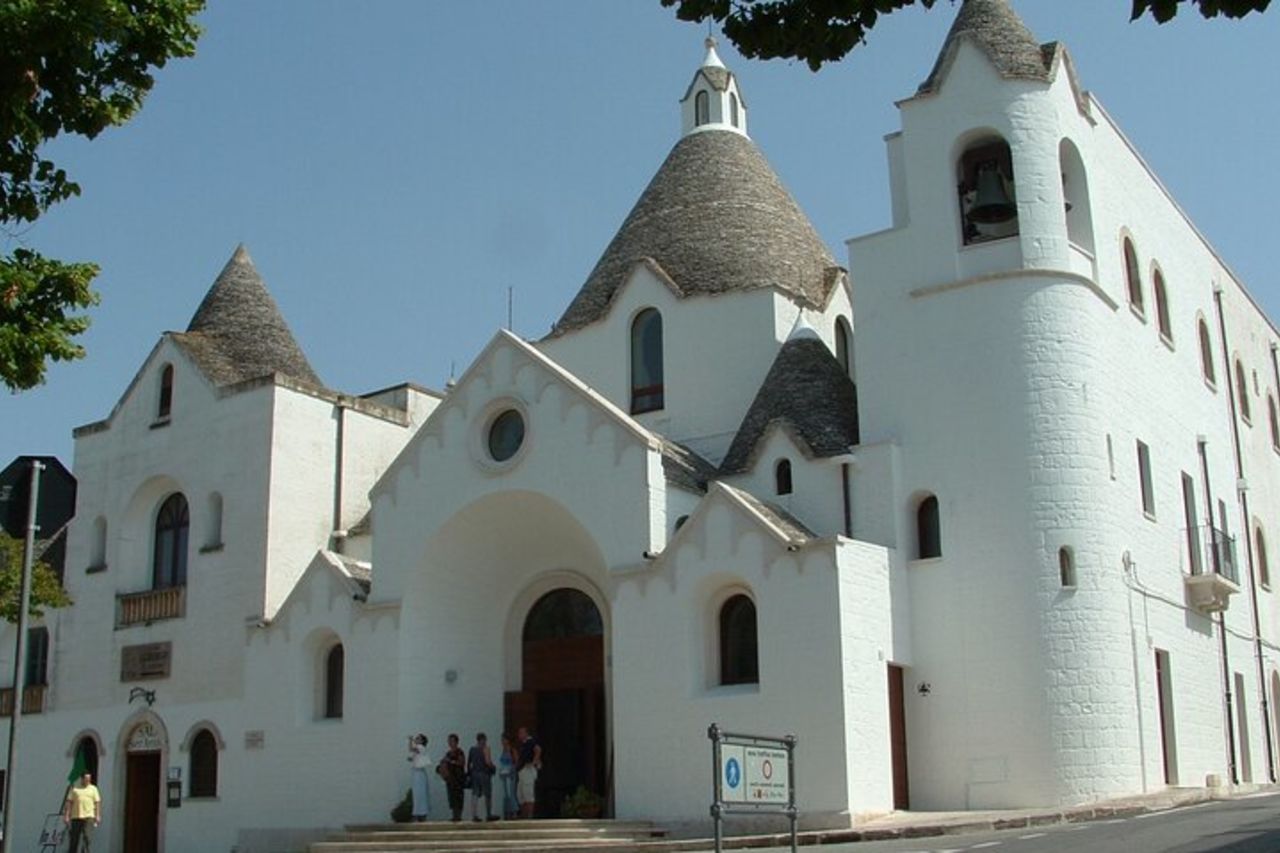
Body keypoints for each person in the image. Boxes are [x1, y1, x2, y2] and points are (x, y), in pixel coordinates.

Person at [63, 772, 101, 852]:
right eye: (86, 779)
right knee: (74, 838)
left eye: (89, 779)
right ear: (82, 779)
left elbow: (97, 802)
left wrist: (97, 815)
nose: (88, 781)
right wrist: (66, 815)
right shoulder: (75, 789)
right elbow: (69, 802)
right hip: (76, 817)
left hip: (89, 817)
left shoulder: (93, 789)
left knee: (87, 838)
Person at [467, 732, 498, 821]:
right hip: (484, 773)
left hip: (475, 773)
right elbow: (488, 761)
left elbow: (469, 763)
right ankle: (488, 814)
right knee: (487, 794)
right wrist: (493, 767)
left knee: (475, 794)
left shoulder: (472, 749)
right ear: (483, 740)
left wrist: (470, 773)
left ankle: (474, 815)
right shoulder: (485, 749)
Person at [515, 726, 542, 819]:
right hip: (522, 771)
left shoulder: (531, 742)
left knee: (528, 794)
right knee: (520, 795)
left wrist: (533, 762)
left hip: (528, 770)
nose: (519, 735)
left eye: (521, 733)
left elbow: (538, 750)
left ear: (526, 733)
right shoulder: (523, 744)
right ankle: (524, 816)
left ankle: (529, 817)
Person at [439, 732, 467, 822]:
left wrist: (451, 761)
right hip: (450, 779)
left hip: (458, 778)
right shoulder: (448, 753)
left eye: (452, 741)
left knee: (459, 798)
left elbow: (461, 763)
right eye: (449, 741)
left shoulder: (459, 752)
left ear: (456, 742)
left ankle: (458, 816)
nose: (450, 743)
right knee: (452, 798)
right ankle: (454, 815)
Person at [406, 733, 432, 822]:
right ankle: (418, 813)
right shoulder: (418, 750)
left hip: (419, 774)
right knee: (417, 795)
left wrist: (410, 740)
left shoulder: (421, 747)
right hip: (416, 773)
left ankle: (421, 814)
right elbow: (413, 757)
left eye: (418, 738)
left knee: (420, 794)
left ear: (422, 741)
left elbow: (411, 748)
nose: (416, 740)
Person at [497, 732, 518, 820]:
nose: (502, 741)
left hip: (510, 774)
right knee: (506, 794)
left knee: (511, 793)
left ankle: (514, 811)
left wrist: (512, 770)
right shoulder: (503, 750)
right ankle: (508, 811)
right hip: (504, 775)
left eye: (503, 739)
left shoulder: (512, 750)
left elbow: (516, 762)